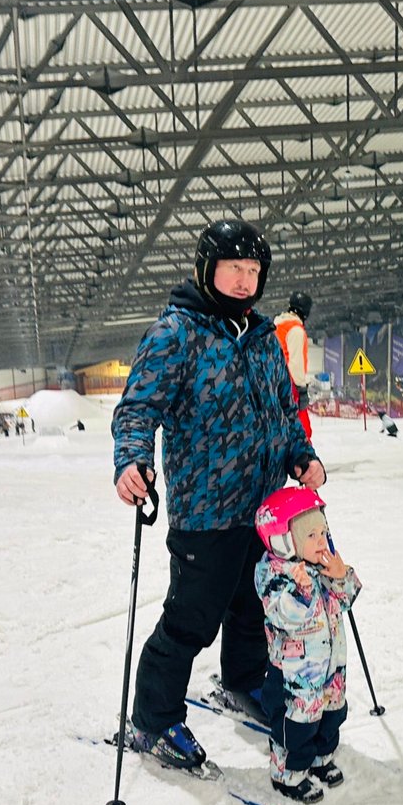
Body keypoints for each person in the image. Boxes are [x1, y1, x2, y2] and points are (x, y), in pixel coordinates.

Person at [112, 218, 325, 773]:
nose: (243, 280)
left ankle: (244, 681)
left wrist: (299, 455)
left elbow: (281, 414)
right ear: (206, 269)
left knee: (254, 606)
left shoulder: (261, 339)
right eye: (233, 268)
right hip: (205, 512)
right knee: (191, 619)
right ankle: (153, 719)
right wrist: (132, 459)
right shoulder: (175, 334)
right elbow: (138, 409)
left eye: (253, 271)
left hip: (262, 512)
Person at [252, 486, 361, 803]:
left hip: (331, 666)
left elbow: (346, 601)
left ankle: (321, 759)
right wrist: (300, 589)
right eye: (311, 535)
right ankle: (288, 774)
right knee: (296, 726)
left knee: (331, 714)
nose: (322, 541)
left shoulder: (322, 565)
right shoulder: (274, 574)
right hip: (294, 676)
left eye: (324, 532)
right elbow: (286, 615)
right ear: (283, 540)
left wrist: (342, 576)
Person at [274, 290, 317, 439]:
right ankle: (304, 459)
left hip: (273, 383)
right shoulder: (295, 330)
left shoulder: (276, 326)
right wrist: (301, 389)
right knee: (302, 429)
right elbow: (295, 362)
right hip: (290, 385)